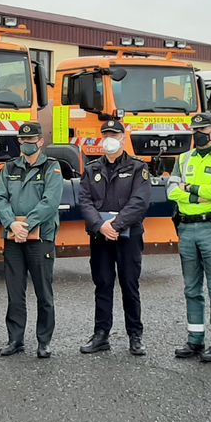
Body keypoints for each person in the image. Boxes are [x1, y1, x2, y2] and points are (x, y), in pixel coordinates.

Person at [77, 119, 151, 356]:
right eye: (106, 134)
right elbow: (85, 201)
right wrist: (100, 226)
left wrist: (116, 226)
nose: (110, 138)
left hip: (128, 236)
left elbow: (140, 202)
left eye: (114, 134)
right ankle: (101, 335)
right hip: (101, 238)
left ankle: (135, 335)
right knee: (103, 284)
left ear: (122, 137)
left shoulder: (138, 168)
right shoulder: (91, 169)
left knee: (130, 284)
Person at [167, 112, 211, 363]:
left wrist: (190, 189)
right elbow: (172, 191)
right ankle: (195, 341)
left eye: (204, 129)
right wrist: (200, 195)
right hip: (186, 229)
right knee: (191, 289)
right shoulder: (183, 159)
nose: (199, 133)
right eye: (195, 129)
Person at [0, 122, 64, 359]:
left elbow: (50, 202)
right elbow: (1, 199)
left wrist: (26, 224)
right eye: (23, 141)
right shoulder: (10, 167)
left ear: (41, 141)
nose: (27, 144)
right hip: (13, 236)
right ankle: (15, 339)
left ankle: (44, 341)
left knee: (44, 293)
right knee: (14, 292)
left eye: (31, 140)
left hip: (40, 237)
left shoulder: (52, 168)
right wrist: (11, 223)